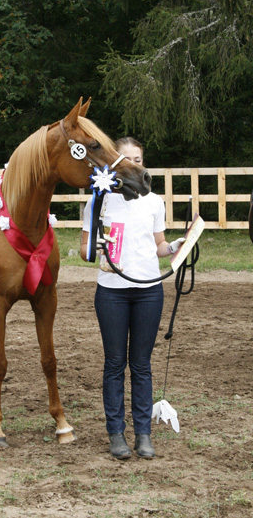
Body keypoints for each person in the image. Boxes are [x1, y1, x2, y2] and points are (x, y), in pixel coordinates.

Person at [80, 137, 184, 460]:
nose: (133, 164)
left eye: (137, 158)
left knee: (141, 364)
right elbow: (85, 248)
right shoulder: (100, 200)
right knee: (114, 363)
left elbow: (159, 246)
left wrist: (177, 247)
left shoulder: (154, 201)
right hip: (111, 291)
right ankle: (116, 433)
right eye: (126, 159)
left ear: (142, 161)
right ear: (115, 163)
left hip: (149, 291)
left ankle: (143, 434)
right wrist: (96, 249)